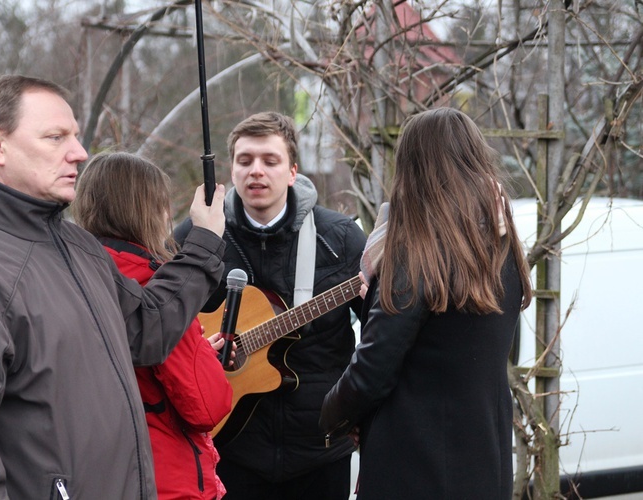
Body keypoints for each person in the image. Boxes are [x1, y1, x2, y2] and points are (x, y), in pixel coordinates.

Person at [0, 74, 227, 499]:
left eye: (74, 135)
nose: (79, 153)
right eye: (56, 137)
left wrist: (202, 243)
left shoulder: (80, 248)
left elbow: (146, 331)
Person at [320, 107, 533, 499]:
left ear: (413, 169)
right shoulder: (502, 247)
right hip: (484, 457)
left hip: (416, 465)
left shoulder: (418, 254)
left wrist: (330, 414)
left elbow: (372, 370)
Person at [175, 111, 367, 500]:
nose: (256, 171)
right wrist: (201, 353)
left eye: (270, 161)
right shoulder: (197, 235)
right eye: (245, 161)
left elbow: (382, 333)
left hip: (320, 449)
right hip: (229, 448)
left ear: (293, 172)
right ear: (231, 169)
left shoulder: (341, 238)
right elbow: (166, 322)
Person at [72, 151, 233, 500]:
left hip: (95, 475)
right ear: (146, 211)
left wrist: (199, 350)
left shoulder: (73, 275)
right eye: (162, 206)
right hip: (164, 481)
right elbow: (208, 405)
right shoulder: (155, 288)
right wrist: (201, 358)